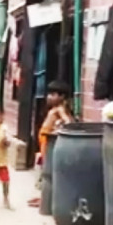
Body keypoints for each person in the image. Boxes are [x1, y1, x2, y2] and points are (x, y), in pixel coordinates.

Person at [28, 80, 75, 208]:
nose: (49, 97)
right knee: (44, 167)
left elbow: (68, 122)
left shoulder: (59, 110)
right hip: (44, 140)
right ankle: (44, 196)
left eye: (53, 94)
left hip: (47, 141)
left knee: (47, 168)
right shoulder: (54, 109)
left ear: (62, 97)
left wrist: (59, 126)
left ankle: (46, 197)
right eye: (49, 94)